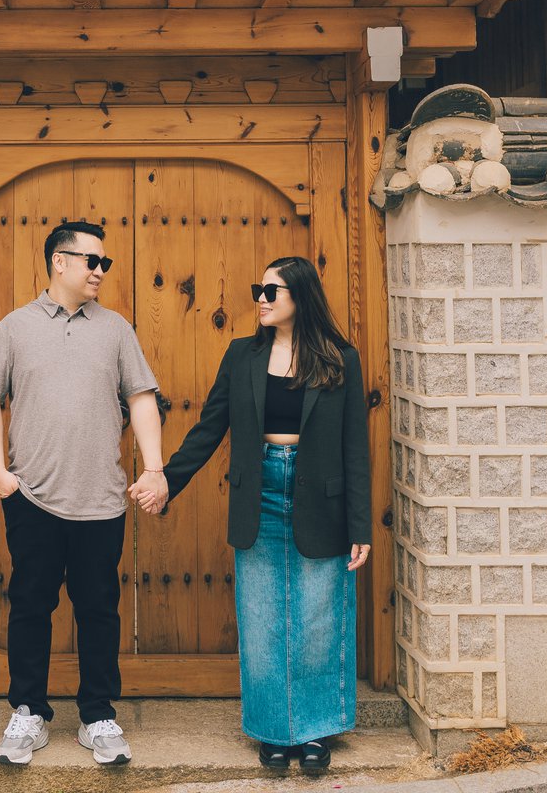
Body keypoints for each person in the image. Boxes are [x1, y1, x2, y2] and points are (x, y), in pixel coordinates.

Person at [132, 254, 371, 774]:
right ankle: (272, 731)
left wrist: (360, 526)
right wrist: (168, 481)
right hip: (259, 491)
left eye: (272, 291)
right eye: (257, 290)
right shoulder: (241, 355)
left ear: (300, 297)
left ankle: (313, 730)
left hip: (321, 497)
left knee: (318, 615)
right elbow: (210, 427)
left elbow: (356, 446)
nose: (260, 299)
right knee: (262, 616)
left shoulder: (340, 358)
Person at [0, 220, 167, 767]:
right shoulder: (13, 328)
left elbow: (143, 398)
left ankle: (97, 713)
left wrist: (155, 468)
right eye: (92, 261)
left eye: (104, 263)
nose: (101, 271)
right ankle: (28, 711)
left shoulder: (117, 329)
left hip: (102, 498)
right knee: (31, 605)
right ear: (60, 261)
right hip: (30, 496)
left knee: (99, 608)